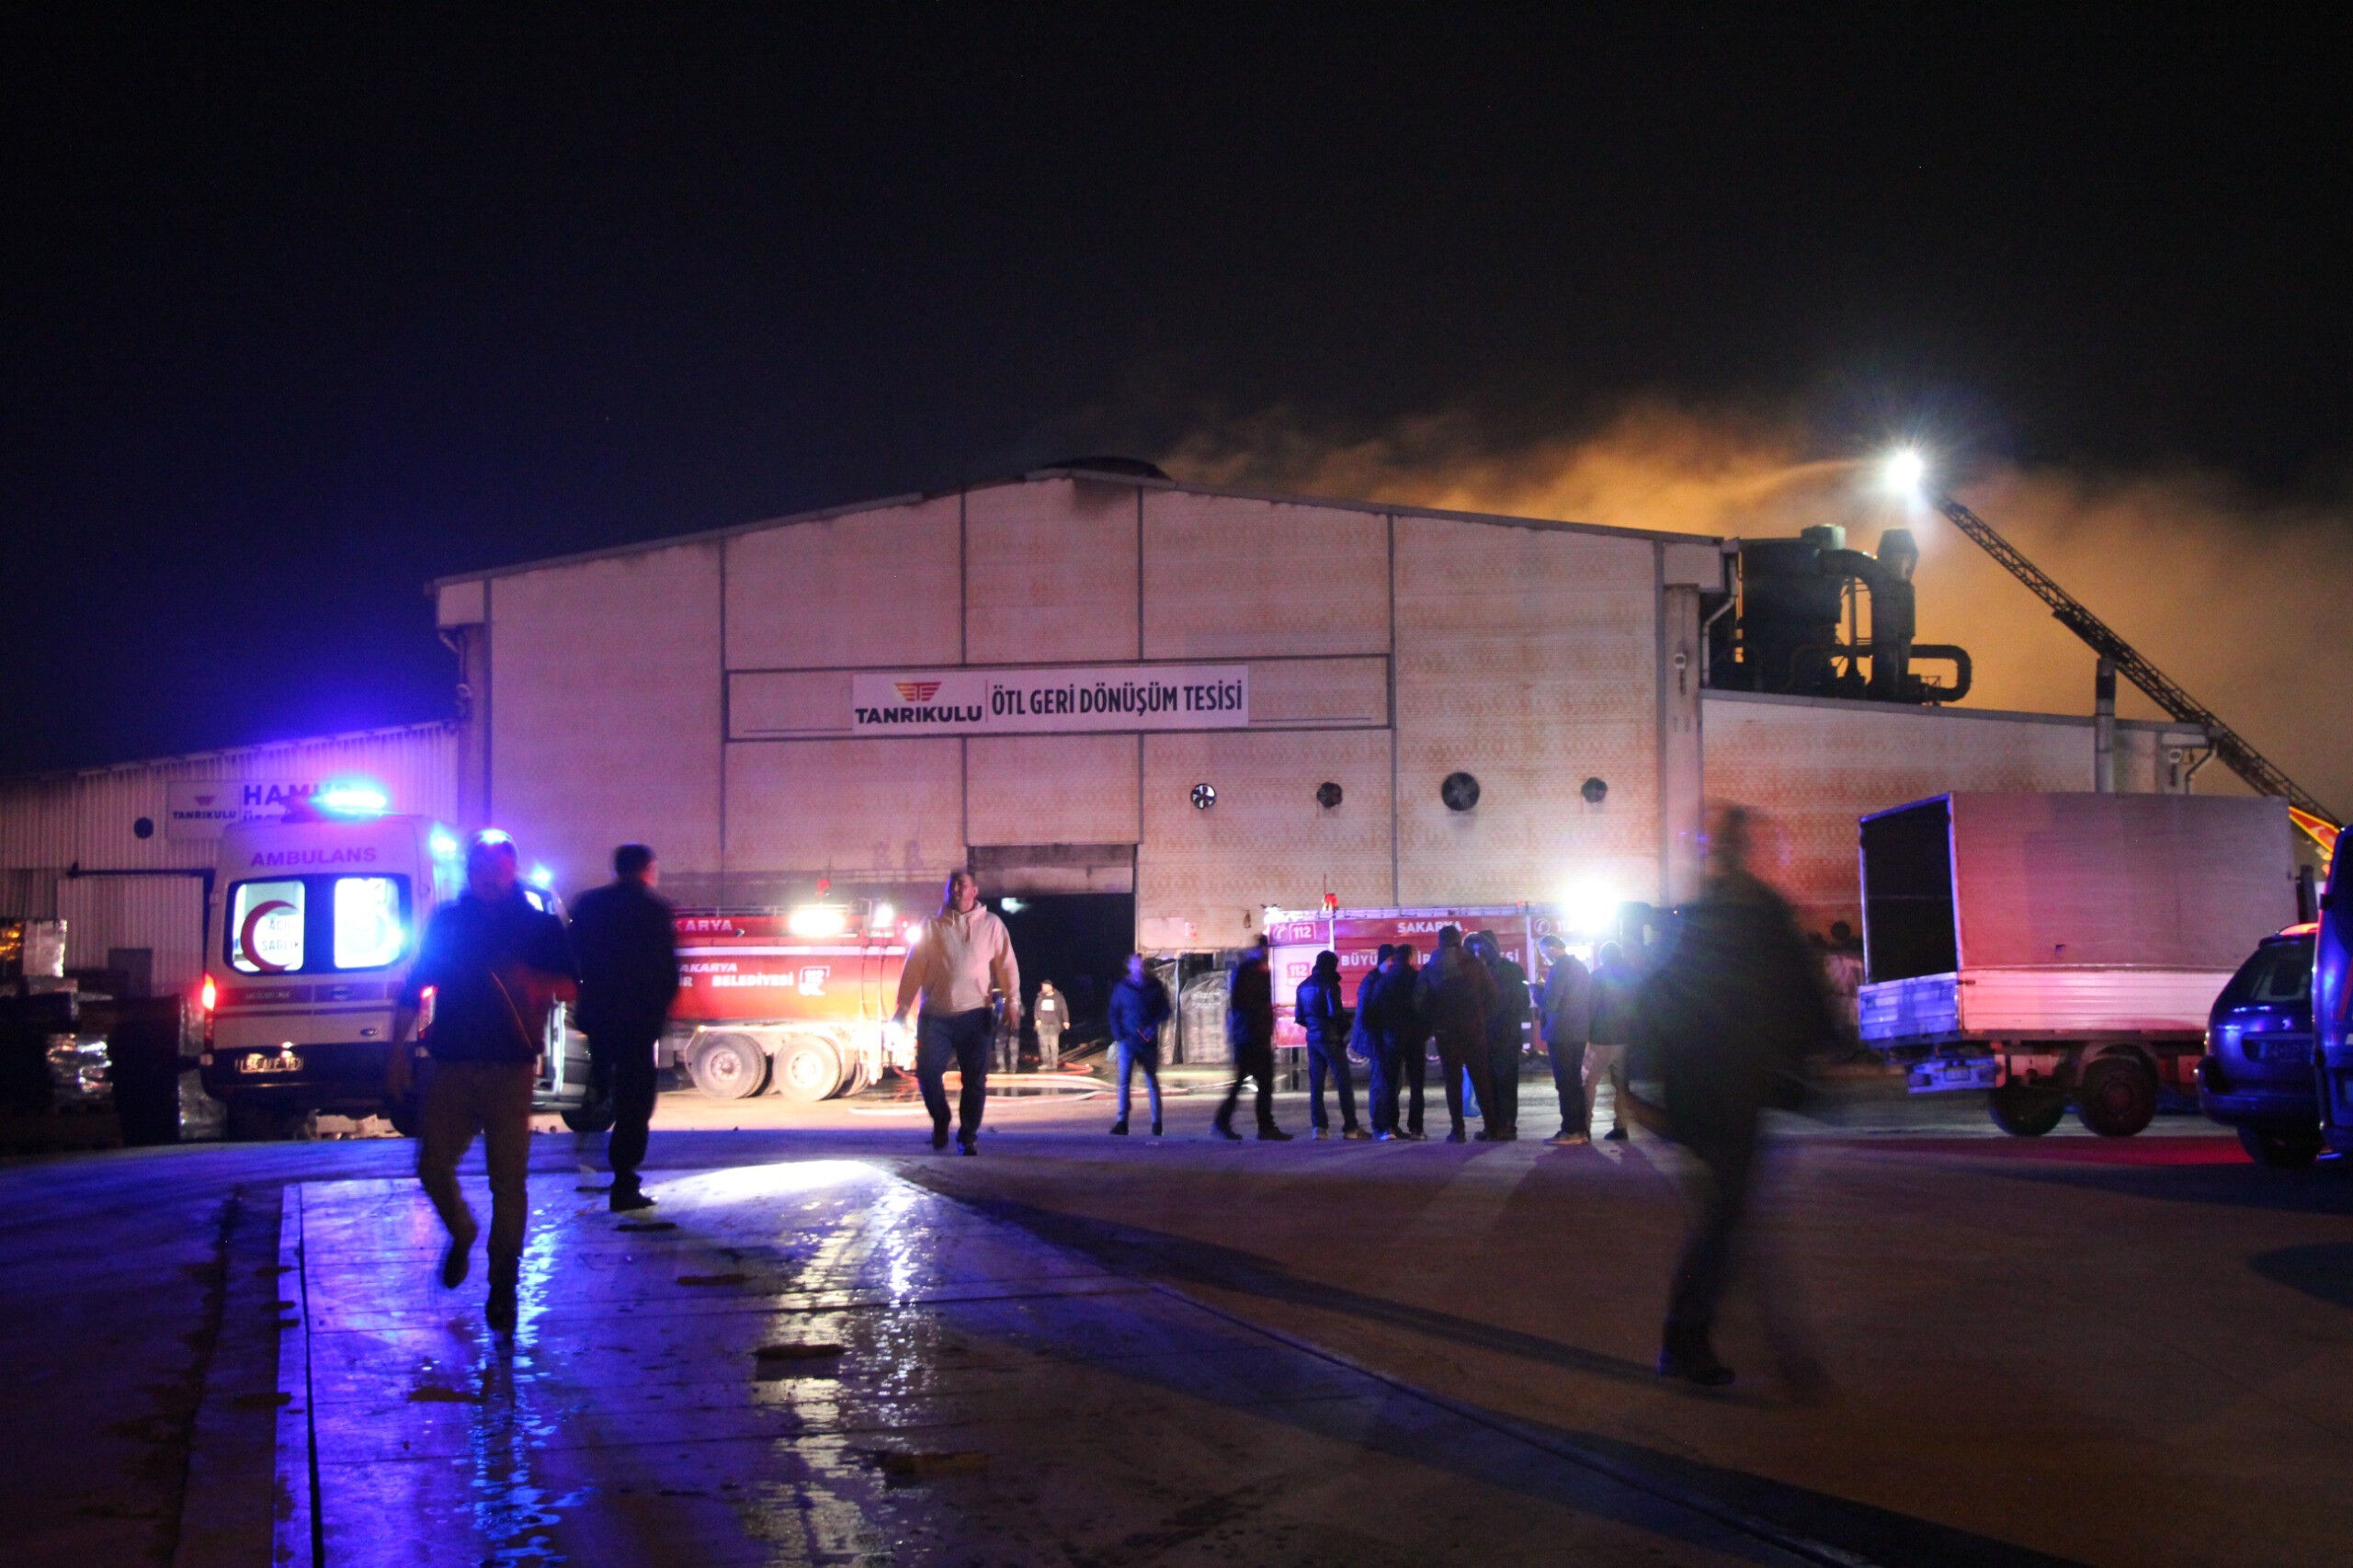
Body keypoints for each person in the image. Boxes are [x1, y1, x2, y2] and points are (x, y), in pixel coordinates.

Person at [1639, 805, 1837, 1388]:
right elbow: (1800, 991)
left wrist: (1655, 1083)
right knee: (1728, 1212)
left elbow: (1659, 995)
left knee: (1727, 1211)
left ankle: (1709, 1338)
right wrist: (1819, 1055)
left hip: (1702, 1089)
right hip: (1734, 1086)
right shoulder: (1758, 913)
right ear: (1747, 850)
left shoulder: (1699, 916)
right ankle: (1691, 1339)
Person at [388, 833, 576, 1334]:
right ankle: (462, 1229)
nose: (485, 877)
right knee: (432, 1166)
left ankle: (502, 1285)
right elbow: (416, 983)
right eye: (477, 868)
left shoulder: (538, 926)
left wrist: (534, 983)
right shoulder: (449, 922)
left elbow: (571, 983)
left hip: (510, 1071)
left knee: (508, 1183)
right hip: (452, 1067)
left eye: (494, 867)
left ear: (511, 869)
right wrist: (396, 1052)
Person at [565, 843, 679, 1212]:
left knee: (595, 1089)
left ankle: (585, 1161)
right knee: (634, 1104)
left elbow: (571, 958)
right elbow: (667, 971)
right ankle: (624, 1182)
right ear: (648, 868)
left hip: (597, 1017)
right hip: (636, 1023)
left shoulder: (587, 905)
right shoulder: (654, 910)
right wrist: (659, 1013)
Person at [892, 869, 1020, 1154]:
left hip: (975, 1015)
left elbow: (1006, 965)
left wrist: (1013, 1001)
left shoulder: (992, 925)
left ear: (974, 891)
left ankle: (968, 1135)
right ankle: (941, 1120)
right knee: (927, 1073)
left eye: (962, 886)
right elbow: (913, 969)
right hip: (936, 1016)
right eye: (952, 886)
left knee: (974, 1080)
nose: (956, 890)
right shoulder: (931, 927)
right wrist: (901, 1008)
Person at [1416, 925, 1495, 1142]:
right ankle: (1491, 1127)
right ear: (1459, 941)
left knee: (1453, 1081)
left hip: (1446, 1033)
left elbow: (1419, 1001)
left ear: (1440, 942)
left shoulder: (1430, 968)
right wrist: (1480, 1017)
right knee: (1481, 1080)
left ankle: (1457, 1130)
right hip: (1473, 1030)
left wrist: (1434, 1024)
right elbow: (1491, 994)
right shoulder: (1474, 964)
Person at [1214, 934, 1291, 1141]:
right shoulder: (1251, 972)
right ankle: (1263, 1127)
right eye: (1265, 949)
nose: (1267, 953)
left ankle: (1226, 1122)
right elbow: (1246, 1003)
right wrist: (1262, 1020)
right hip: (1251, 1036)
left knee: (1248, 1081)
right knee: (1263, 1081)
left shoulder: (1252, 970)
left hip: (1250, 1035)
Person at [1296, 949, 1368, 1140]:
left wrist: (1314, 1029)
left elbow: (1300, 1017)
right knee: (1343, 1083)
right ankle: (1351, 1127)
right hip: (1331, 1040)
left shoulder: (1302, 986)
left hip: (1313, 1040)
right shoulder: (1330, 985)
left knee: (1316, 1086)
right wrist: (1345, 1026)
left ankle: (1319, 1128)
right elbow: (1334, 1013)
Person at [1472, 931, 1529, 1141]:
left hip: (1503, 1036)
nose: (1477, 954)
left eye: (1480, 949)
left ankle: (1506, 1125)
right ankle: (1494, 1125)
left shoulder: (1509, 971)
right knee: (1490, 1084)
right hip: (1491, 1036)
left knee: (1504, 1083)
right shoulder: (1485, 971)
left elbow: (1521, 1003)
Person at [1367, 943, 1427, 1140]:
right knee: (1416, 1086)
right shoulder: (1418, 979)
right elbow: (1426, 1007)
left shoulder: (1385, 981)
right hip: (1415, 1040)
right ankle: (1416, 1129)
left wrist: (1380, 1036)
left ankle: (1390, 1127)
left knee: (1390, 1084)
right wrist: (1425, 1032)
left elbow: (1372, 1010)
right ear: (1411, 958)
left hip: (1391, 1039)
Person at [1106, 953, 1172, 1136]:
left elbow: (1165, 1009)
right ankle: (1122, 1122)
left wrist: (1153, 1027)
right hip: (1128, 1042)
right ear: (1130, 967)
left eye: (1140, 964)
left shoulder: (1154, 986)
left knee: (1152, 1081)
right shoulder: (1122, 988)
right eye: (1135, 965)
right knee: (1124, 1082)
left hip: (1148, 1043)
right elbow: (1113, 1012)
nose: (1138, 967)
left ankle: (1157, 1123)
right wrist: (1119, 1036)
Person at [1537, 934, 1593, 1144]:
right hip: (1578, 1031)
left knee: (1565, 1082)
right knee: (1574, 1081)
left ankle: (1570, 1131)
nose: (1544, 958)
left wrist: (1536, 993)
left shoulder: (1559, 968)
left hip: (1561, 1034)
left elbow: (1550, 1004)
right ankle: (1580, 1130)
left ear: (1552, 949)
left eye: (1544, 953)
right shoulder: (1580, 967)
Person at [1585, 940, 1638, 1142]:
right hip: (1626, 1038)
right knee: (1622, 1085)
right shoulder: (1632, 975)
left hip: (1601, 1038)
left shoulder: (1598, 976)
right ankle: (1621, 1126)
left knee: (1589, 1082)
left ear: (1603, 957)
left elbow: (1591, 1005)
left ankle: (1585, 1126)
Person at [1032, 982, 1069, 1071]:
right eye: (1042, 986)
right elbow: (1036, 1010)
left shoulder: (1058, 997)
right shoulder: (1040, 997)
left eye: (1045, 986)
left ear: (1050, 987)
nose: (1043, 988)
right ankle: (1046, 1063)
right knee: (1044, 1045)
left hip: (1054, 1025)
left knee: (1054, 1045)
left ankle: (1054, 1064)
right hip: (1043, 1025)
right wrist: (1037, 1020)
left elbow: (1064, 1009)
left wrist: (1066, 1021)